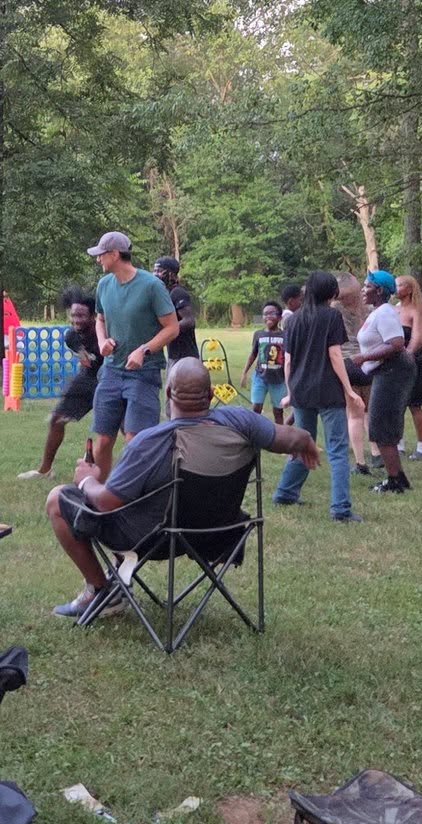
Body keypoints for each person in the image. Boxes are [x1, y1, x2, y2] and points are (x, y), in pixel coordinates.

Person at [44, 358, 318, 617]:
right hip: (218, 534)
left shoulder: (149, 441)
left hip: (154, 540)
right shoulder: (241, 422)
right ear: (210, 394)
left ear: (167, 392)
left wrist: (86, 479)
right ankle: (110, 584)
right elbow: (294, 437)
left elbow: (105, 503)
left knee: (58, 498)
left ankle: (103, 591)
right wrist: (306, 441)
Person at [272, 270, 365, 522]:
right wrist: (348, 390)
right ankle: (341, 509)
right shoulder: (332, 316)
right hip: (327, 390)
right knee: (337, 449)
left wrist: (291, 392)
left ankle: (285, 493)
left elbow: (288, 361)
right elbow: (335, 356)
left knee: (305, 443)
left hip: (302, 391)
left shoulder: (294, 320)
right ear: (331, 292)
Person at [87, 231, 178, 478]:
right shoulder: (104, 285)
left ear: (115, 254)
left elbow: (172, 327)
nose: (98, 260)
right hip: (111, 371)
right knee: (104, 439)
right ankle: (99, 493)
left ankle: (132, 496)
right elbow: (100, 319)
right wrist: (102, 340)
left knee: (135, 440)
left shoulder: (151, 286)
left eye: (101, 255)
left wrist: (144, 349)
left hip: (143, 372)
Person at [18, 288, 101, 480]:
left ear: (92, 316)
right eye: (73, 315)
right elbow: (86, 360)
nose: (77, 320)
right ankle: (45, 470)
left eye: (82, 315)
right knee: (57, 418)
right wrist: (85, 357)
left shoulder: (102, 331)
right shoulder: (70, 337)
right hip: (88, 378)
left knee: (113, 427)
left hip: (108, 379)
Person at [351, 270, 414, 494]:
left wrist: (364, 358)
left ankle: (394, 481)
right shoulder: (378, 312)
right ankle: (399, 478)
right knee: (381, 426)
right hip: (384, 371)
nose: (363, 289)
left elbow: (396, 343)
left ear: (379, 290)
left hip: (393, 371)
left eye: (367, 286)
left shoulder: (386, 312)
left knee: (381, 427)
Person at [335, 272, 379, 475]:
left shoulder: (334, 311)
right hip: (368, 361)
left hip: (347, 363)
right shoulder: (368, 309)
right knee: (370, 411)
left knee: (354, 415)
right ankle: (377, 453)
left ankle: (360, 462)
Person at [393, 274, 422, 459]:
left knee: (414, 405)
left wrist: (408, 355)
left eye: (400, 285)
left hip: (413, 361)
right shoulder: (394, 309)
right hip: (395, 362)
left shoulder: (415, 311)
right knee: (397, 405)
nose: (396, 289)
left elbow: (417, 336)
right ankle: (399, 444)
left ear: (410, 289)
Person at [241, 301, 288, 424]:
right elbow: (253, 354)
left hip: (278, 379)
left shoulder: (285, 335)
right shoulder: (258, 334)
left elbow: (289, 358)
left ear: (280, 317)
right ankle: (255, 433)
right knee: (256, 407)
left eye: (272, 313)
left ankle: (280, 437)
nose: (268, 317)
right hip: (260, 377)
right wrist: (244, 373)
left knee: (278, 411)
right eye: (265, 314)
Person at [152, 255, 199, 363]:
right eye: (154, 271)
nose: (155, 274)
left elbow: (189, 321)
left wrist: (169, 329)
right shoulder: (166, 294)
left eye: (159, 271)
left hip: (186, 356)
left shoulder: (177, 292)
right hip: (174, 355)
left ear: (171, 274)